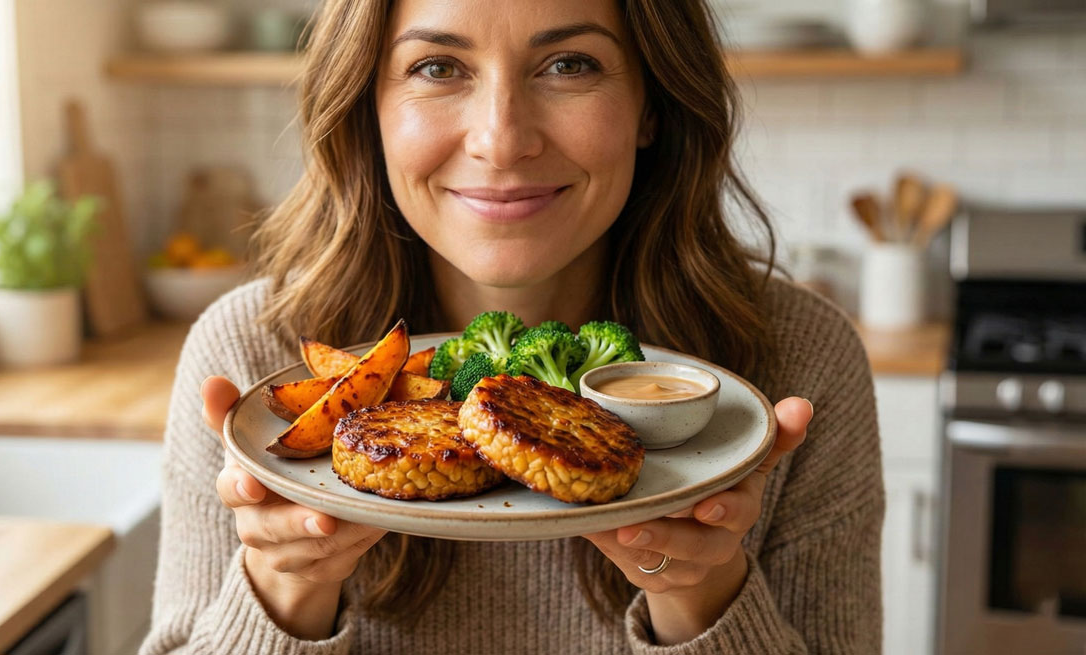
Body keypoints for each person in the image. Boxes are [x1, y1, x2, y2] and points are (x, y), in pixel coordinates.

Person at [138, 0, 883, 653]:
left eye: (568, 63)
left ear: (651, 103)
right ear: (367, 101)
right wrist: (282, 591)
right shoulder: (252, 358)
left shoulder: (799, 360)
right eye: (436, 67)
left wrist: (701, 592)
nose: (501, 139)